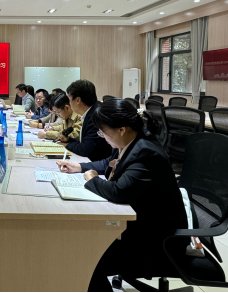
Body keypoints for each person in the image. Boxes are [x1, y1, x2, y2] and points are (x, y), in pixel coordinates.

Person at [56, 99, 188, 291]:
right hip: (140, 227)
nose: (102, 136)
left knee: (86, 257)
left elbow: (118, 191)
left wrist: (92, 179)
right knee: (83, 249)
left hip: (156, 241)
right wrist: (79, 167)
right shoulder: (130, 142)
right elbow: (107, 163)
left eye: (102, 131)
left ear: (121, 129)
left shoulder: (146, 153)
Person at [62, 80, 111, 161]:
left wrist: (66, 145)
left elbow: (85, 149)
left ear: (78, 100)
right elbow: (86, 142)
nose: (69, 103)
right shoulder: (91, 111)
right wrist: (69, 140)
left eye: (69, 99)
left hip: (98, 163)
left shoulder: (96, 116)